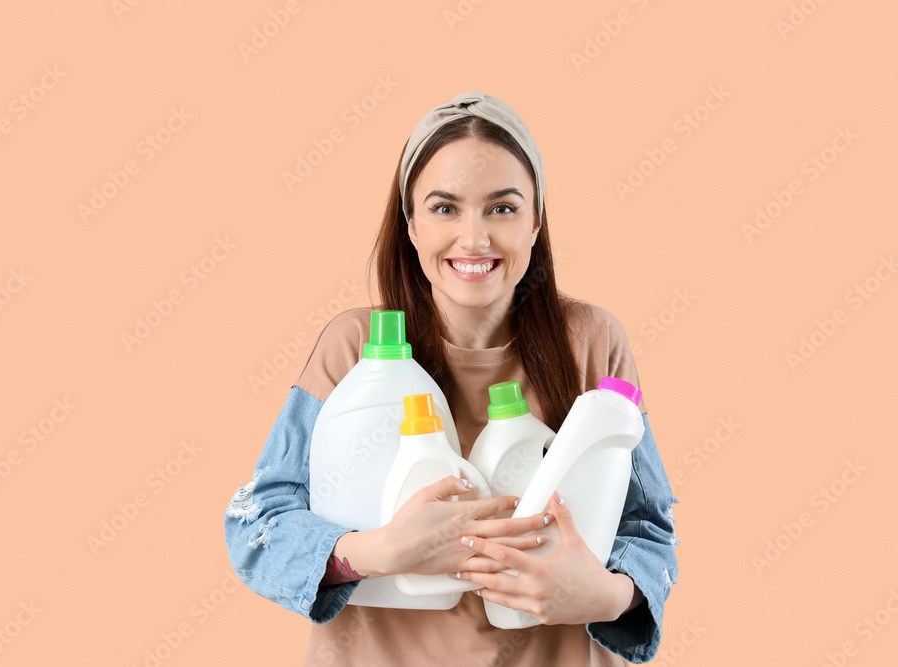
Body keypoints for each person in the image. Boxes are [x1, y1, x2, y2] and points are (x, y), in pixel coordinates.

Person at [225, 90, 680, 665]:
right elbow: (256, 525)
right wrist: (375, 552)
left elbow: (649, 529)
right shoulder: (354, 349)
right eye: (445, 208)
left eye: (503, 208)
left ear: (536, 222)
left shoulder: (590, 341)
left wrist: (606, 594)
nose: (474, 239)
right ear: (410, 224)